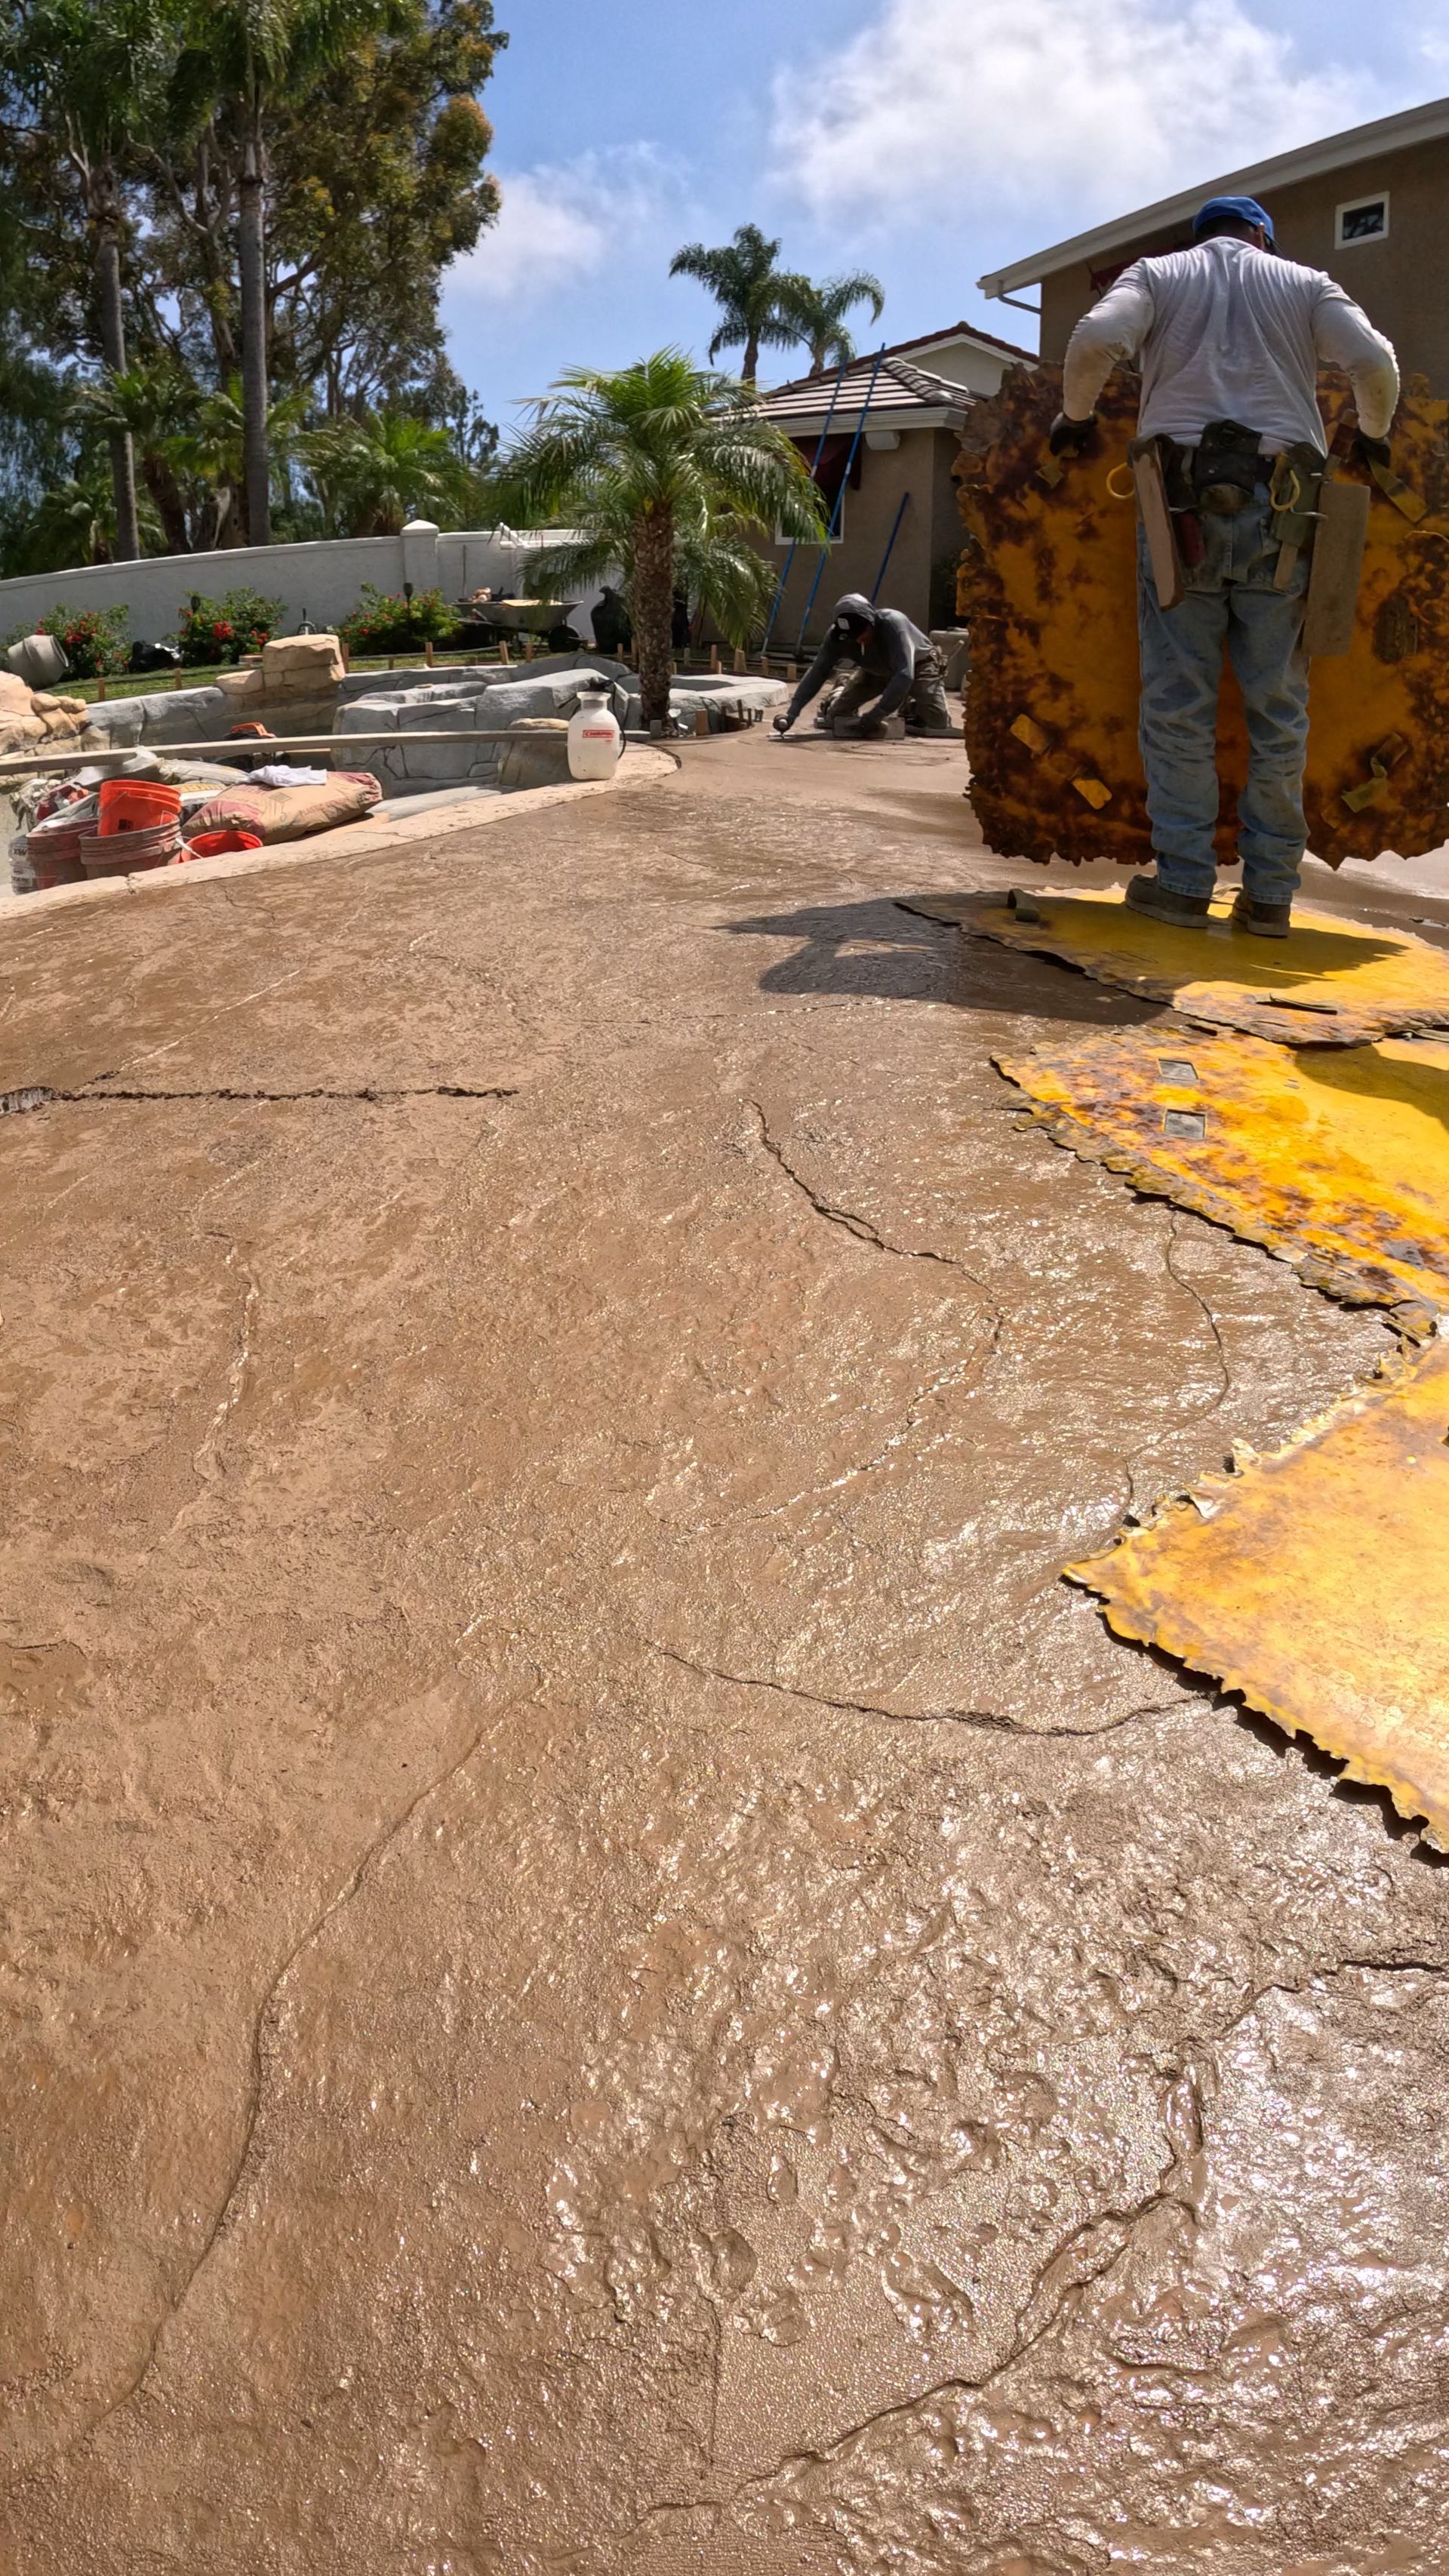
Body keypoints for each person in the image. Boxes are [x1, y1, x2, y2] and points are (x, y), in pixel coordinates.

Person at [1052, 193, 1399, 936]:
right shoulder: (1304, 283)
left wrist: (1074, 419)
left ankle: (1183, 884)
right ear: (1262, 239)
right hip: (1286, 511)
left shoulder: (1159, 274)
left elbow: (1096, 338)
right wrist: (1374, 434)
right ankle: (1270, 896)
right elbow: (1374, 361)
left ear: (1200, 236)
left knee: (1178, 700)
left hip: (1179, 510)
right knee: (1279, 705)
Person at [772, 593, 952, 739]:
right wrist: (792, 713)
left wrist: (877, 713)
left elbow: (905, 674)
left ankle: (910, 706)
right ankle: (839, 690)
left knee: (937, 722)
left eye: (862, 632)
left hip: (918, 667)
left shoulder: (894, 624)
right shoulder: (837, 637)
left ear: (871, 621)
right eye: (854, 636)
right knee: (837, 717)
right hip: (876, 671)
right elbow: (818, 672)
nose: (859, 640)